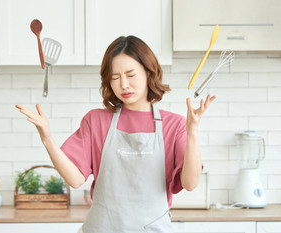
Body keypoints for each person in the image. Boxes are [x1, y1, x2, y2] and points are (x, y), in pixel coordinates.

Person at [16, 35, 216, 233]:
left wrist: (192, 132)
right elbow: (75, 180)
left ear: (148, 73)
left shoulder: (174, 125)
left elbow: (190, 183)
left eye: (131, 75)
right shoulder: (96, 121)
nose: (124, 85)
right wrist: (47, 139)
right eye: (115, 77)